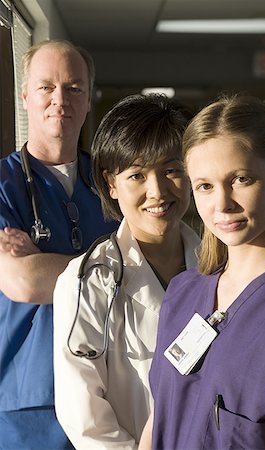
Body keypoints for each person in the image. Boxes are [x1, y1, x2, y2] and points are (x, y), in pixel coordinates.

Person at [139, 94, 265, 450]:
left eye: (241, 179)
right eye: (205, 186)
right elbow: (159, 418)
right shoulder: (182, 293)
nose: (222, 203)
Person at [53, 93, 200, 449]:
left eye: (172, 170)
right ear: (111, 184)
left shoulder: (222, 267)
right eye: (137, 174)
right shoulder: (86, 282)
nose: (158, 191)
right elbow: (84, 417)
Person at [0, 39, 116, 449]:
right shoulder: (2, 187)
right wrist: (114, 266)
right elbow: (24, 282)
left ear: (88, 101)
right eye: (46, 87)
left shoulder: (114, 184)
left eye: (73, 88)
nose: (59, 99)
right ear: (26, 96)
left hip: (109, 393)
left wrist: (46, 264)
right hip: (28, 406)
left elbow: (153, 267)